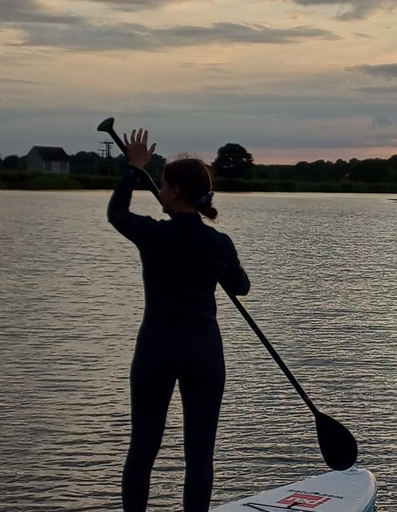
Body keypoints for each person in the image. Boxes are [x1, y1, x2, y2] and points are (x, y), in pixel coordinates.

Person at [107, 128, 250, 512]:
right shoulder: (218, 243)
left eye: (164, 184)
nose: (162, 191)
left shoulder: (152, 234)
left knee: (143, 449)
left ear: (171, 192)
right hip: (203, 352)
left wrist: (134, 170)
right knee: (199, 455)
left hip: (155, 349)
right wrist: (220, 264)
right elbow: (241, 287)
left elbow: (116, 213)